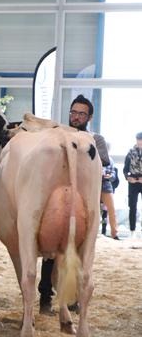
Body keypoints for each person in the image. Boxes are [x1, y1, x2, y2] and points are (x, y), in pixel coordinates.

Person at [39, 94, 110, 314]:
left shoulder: (95, 139)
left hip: (83, 202)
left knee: (78, 253)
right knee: (50, 252)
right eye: (73, 112)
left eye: (81, 113)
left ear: (89, 117)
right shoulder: (57, 135)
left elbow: (104, 161)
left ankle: (71, 300)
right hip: (56, 199)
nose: (76, 117)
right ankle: (44, 299)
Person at [124, 132, 142, 239]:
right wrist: (128, 177)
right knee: (132, 207)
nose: (140, 142)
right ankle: (132, 230)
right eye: (138, 140)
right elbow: (126, 169)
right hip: (133, 183)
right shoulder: (130, 153)